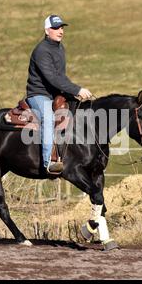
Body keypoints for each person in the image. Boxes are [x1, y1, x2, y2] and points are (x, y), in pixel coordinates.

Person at [26, 14, 92, 173]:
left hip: (55, 93)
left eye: (61, 27)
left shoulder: (60, 48)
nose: (60, 31)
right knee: (48, 118)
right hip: (39, 94)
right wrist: (76, 89)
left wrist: (73, 92)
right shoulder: (41, 50)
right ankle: (48, 162)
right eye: (56, 28)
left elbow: (61, 76)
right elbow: (53, 78)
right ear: (47, 31)